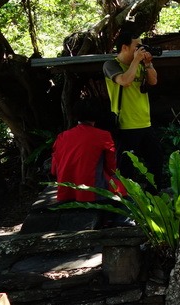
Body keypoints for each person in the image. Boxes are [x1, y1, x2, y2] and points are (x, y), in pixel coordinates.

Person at [103, 28, 163, 189]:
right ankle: (126, 199)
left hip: (145, 122)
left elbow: (153, 81)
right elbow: (125, 81)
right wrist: (136, 61)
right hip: (126, 125)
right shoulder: (111, 65)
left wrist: (148, 63)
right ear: (124, 47)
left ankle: (154, 194)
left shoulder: (140, 64)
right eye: (137, 47)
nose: (140, 50)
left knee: (155, 161)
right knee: (126, 166)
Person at [51, 99, 121, 202]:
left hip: (65, 191)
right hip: (92, 193)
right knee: (122, 188)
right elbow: (111, 168)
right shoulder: (103, 136)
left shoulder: (62, 136)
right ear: (97, 115)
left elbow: (54, 169)